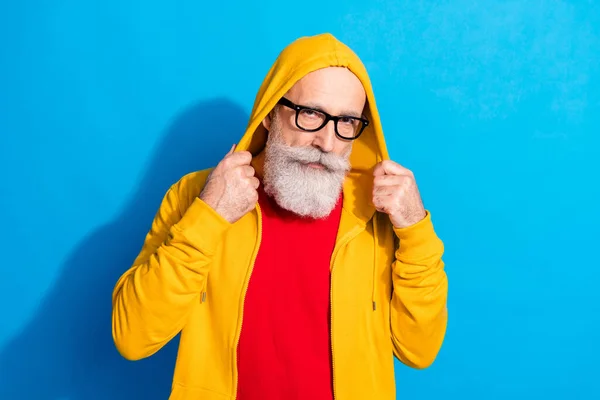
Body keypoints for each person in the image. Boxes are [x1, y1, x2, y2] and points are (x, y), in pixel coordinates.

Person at [112, 33, 448, 400]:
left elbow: (419, 350)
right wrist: (209, 216)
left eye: (346, 122)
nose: (328, 142)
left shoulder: (380, 214)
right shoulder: (199, 195)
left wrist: (416, 230)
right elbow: (133, 337)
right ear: (271, 114)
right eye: (311, 114)